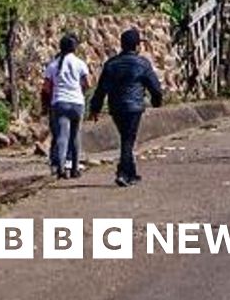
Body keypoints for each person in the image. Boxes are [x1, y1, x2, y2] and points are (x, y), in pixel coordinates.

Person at [89, 28, 163, 187]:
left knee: (126, 138)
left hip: (116, 108)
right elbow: (155, 87)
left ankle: (131, 173)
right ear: (137, 46)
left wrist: (95, 108)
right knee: (128, 140)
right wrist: (157, 101)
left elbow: (101, 89)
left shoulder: (111, 64)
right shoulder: (142, 64)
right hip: (134, 108)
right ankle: (123, 173)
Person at [41, 33, 90, 179]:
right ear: (75, 48)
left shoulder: (53, 65)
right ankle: (75, 168)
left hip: (60, 103)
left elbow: (46, 88)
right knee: (75, 136)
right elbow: (87, 83)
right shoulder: (80, 63)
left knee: (62, 136)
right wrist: (80, 92)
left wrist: (46, 104)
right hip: (77, 103)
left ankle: (61, 168)